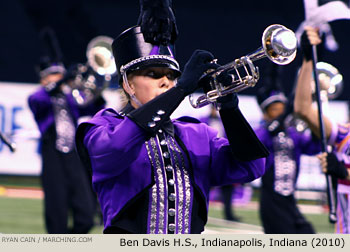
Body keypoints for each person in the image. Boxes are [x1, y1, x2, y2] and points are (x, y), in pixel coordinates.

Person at [75, 25, 268, 234]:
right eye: (153, 74)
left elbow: (252, 167)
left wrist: (228, 107)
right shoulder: (104, 126)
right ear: (128, 84)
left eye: (172, 76)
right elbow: (114, 149)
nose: (166, 81)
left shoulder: (196, 134)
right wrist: (180, 90)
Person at [28, 27, 105, 234]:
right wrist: (64, 80)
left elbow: (96, 107)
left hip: (73, 155)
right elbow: (43, 98)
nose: (57, 79)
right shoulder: (37, 98)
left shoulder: (70, 98)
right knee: (57, 214)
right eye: (53, 76)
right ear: (43, 79)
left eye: (59, 75)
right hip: (52, 154)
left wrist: (97, 84)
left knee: (86, 214)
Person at [294, 26, 350, 233]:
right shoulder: (345, 135)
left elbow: (345, 173)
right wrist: (308, 60)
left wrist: (344, 172)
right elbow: (303, 110)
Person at [254, 67, 321, 234]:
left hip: (290, 200)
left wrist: (314, 121)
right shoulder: (262, 133)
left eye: (282, 108)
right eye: (275, 109)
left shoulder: (293, 134)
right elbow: (263, 138)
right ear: (266, 114)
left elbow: (313, 147)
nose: (280, 111)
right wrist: (289, 109)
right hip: (272, 203)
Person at [200, 105, 241, 222]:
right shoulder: (203, 121)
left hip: (223, 156)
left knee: (228, 187)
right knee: (203, 187)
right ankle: (200, 214)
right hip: (207, 157)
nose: (215, 111)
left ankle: (229, 215)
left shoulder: (224, 121)